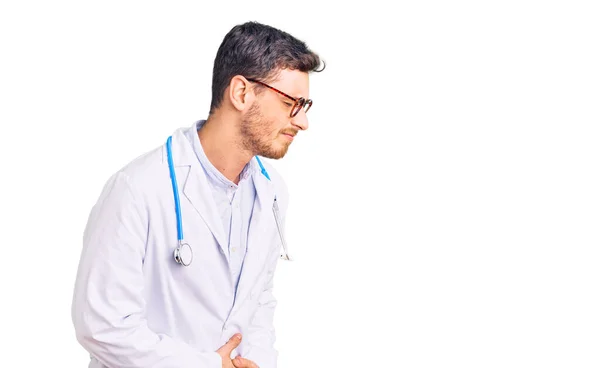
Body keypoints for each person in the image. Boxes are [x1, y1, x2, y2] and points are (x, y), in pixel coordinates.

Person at [71, 21, 324, 368]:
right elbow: (101, 327)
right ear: (240, 93)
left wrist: (257, 361)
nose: (302, 121)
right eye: (290, 103)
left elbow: (259, 303)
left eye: (304, 105)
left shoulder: (272, 192)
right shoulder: (138, 188)